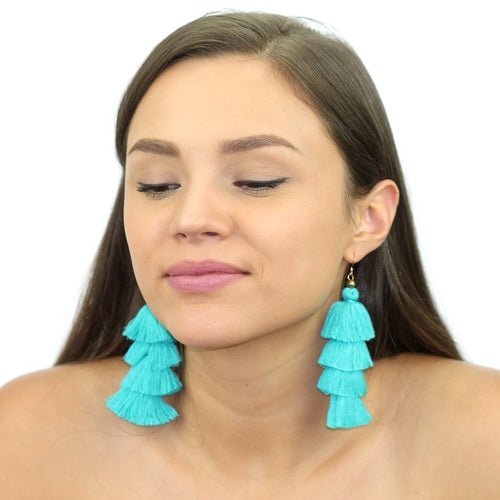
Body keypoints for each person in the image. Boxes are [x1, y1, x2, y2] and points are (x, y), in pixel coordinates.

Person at [1, 10, 499, 498]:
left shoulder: (482, 439)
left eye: (257, 181)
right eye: (158, 184)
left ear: (368, 218)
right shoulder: (26, 438)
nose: (191, 218)